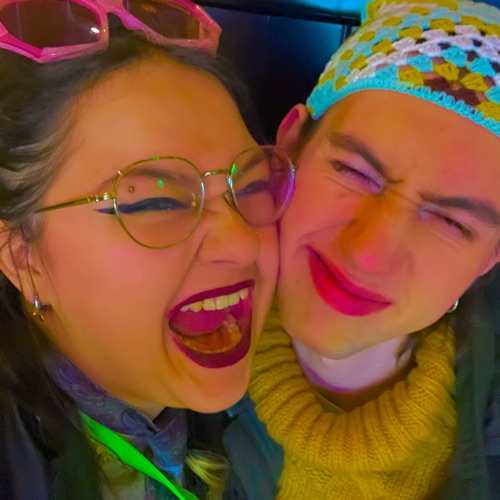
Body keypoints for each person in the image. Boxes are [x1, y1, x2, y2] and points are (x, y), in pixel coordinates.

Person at [0, 1, 291, 498]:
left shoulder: (271, 403)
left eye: (250, 186)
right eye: (157, 201)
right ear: (21, 257)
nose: (242, 243)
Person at [249, 0, 500, 498]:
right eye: (355, 172)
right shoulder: (153, 364)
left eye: (451, 222)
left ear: (490, 258)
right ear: (290, 145)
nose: (368, 254)